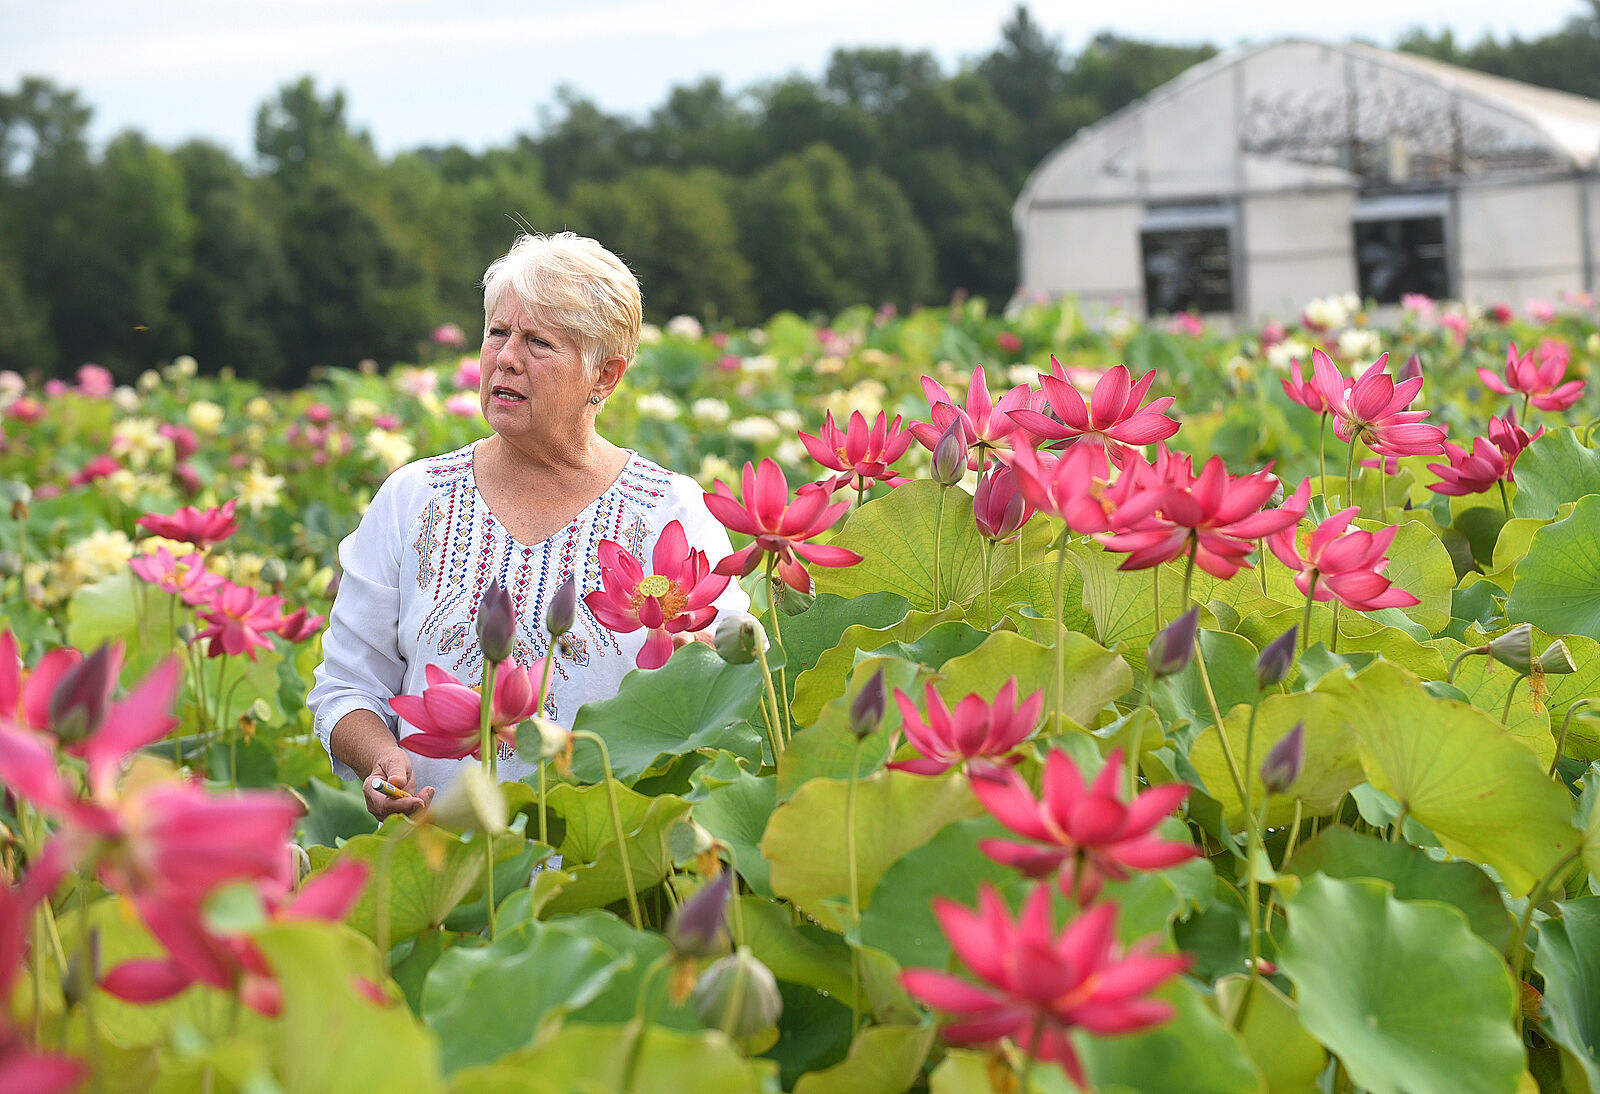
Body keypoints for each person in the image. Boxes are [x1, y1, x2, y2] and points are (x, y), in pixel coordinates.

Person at [308, 232, 749, 820]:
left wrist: (694, 659)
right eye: (497, 332)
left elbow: (730, 690)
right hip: (446, 866)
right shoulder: (412, 499)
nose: (506, 357)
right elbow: (346, 686)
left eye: (538, 341)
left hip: (616, 864)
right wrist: (381, 757)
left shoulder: (669, 509)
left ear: (606, 375)